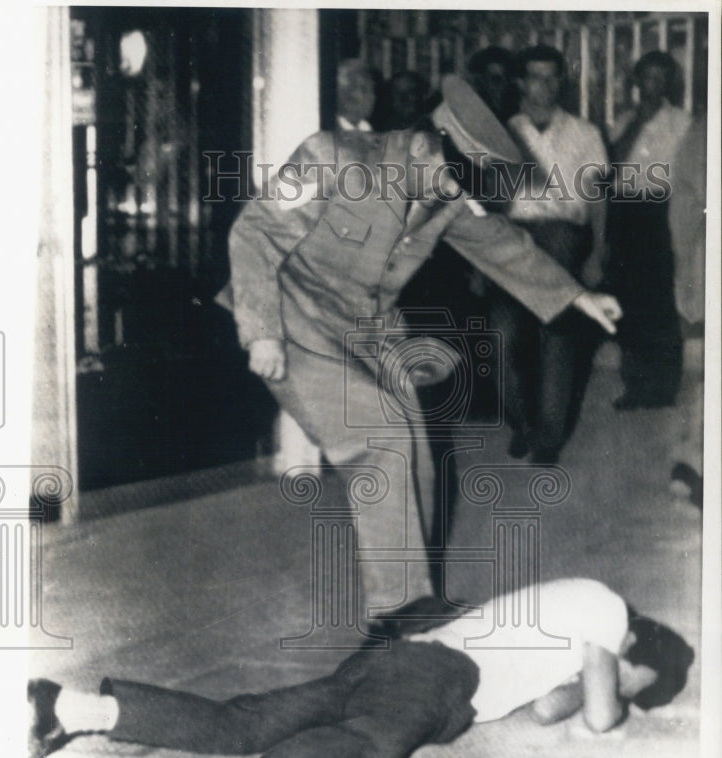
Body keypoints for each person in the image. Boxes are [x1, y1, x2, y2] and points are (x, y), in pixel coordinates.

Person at [217, 73, 622, 632]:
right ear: (427, 141)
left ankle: (410, 602)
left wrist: (577, 296)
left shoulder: (447, 192)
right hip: (289, 312)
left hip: (369, 322)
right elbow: (254, 234)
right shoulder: (330, 157)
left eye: (465, 184)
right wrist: (259, 330)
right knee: (376, 432)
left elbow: (500, 242)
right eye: (453, 177)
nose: (454, 195)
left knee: (416, 439)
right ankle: (402, 606)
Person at [28, 578, 694, 758]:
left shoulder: (573, 609)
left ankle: (68, 707)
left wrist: (579, 677)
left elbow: (550, 708)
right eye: (635, 682)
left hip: (396, 657)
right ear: (638, 650)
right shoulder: (606, 610)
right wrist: (610, 694)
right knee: (376, 744)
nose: (615, 684)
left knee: (243, 720)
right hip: (436, 678)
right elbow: (598, 719)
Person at [490, 45, 610, 464]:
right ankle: (523, 422)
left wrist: (598, 249)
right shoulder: (502, 131)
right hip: (515, 238)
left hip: (563, 236)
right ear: (521, 83)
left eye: (552, 76)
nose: (545, 85)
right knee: (500, 337)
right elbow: (496, 200)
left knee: (555, 334)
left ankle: (548, 439)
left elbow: (596, 197)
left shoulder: (585, 132)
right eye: (536, 76)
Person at [608, 51, 693, 410]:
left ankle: (663, 386)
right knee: (628, 299)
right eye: (646, 78)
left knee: (660, 300)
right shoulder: (625, 120)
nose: (651, 86)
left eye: (659, 78)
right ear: (636, 82)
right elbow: (608, 168)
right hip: (626, 212)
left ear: (669, 83)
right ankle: (634, 385)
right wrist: (637, 126)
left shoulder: (683, 122)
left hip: (662, 211)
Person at [467, 45, 517, 123]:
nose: (502, 85)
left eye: (507, 79)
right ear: (482, 80)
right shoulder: (474, 110)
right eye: (496, 80)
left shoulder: (514, 110)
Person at [335, 58, 376, 132]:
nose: (373, 97)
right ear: (348, 94)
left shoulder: (367, 128)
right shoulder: (331, 133)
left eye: (372, 91)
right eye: (365, 91)